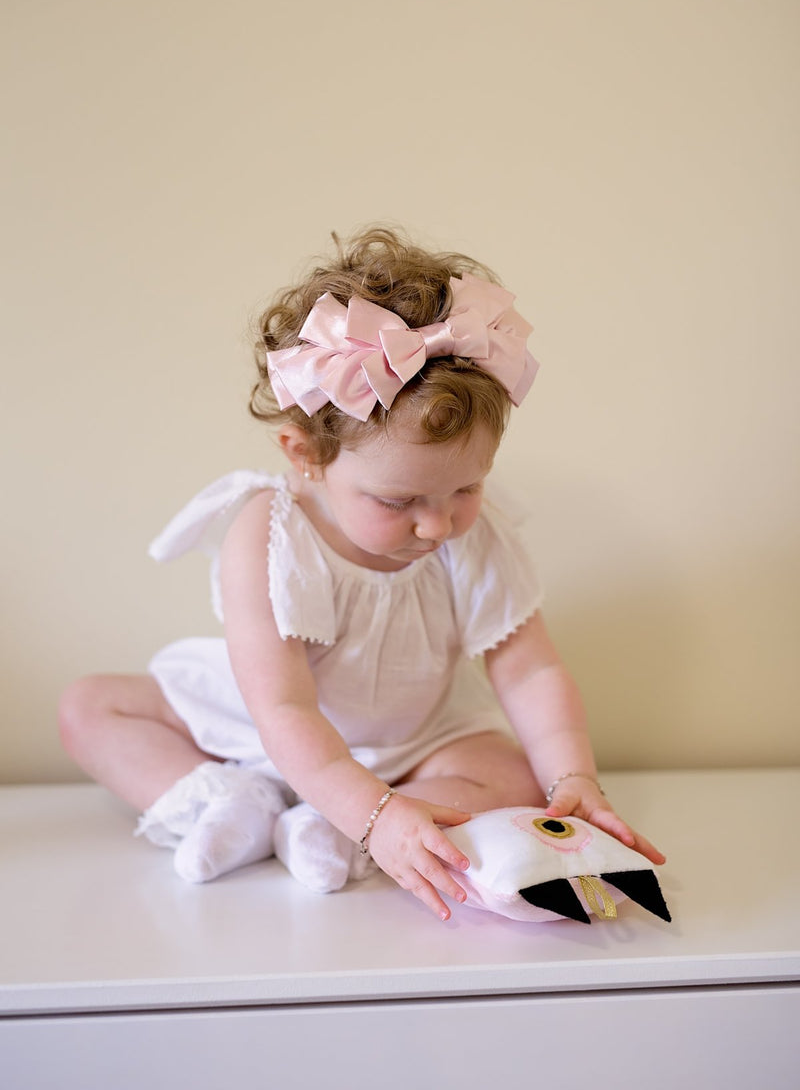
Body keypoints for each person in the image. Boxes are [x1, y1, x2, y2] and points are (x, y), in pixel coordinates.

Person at [59, 226, 664, 921]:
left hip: (412, 743)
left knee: (514, 775)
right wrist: (367, 810)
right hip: (255, 731)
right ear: (305, 455)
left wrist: (573, 777)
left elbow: (529, 671)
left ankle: (334, 828)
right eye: (399, 502)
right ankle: (233, 802)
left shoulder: (473, 534)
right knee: (90, 707)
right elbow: (283, 708)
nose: (438, 525)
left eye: (466, 489)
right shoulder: (270, 533)